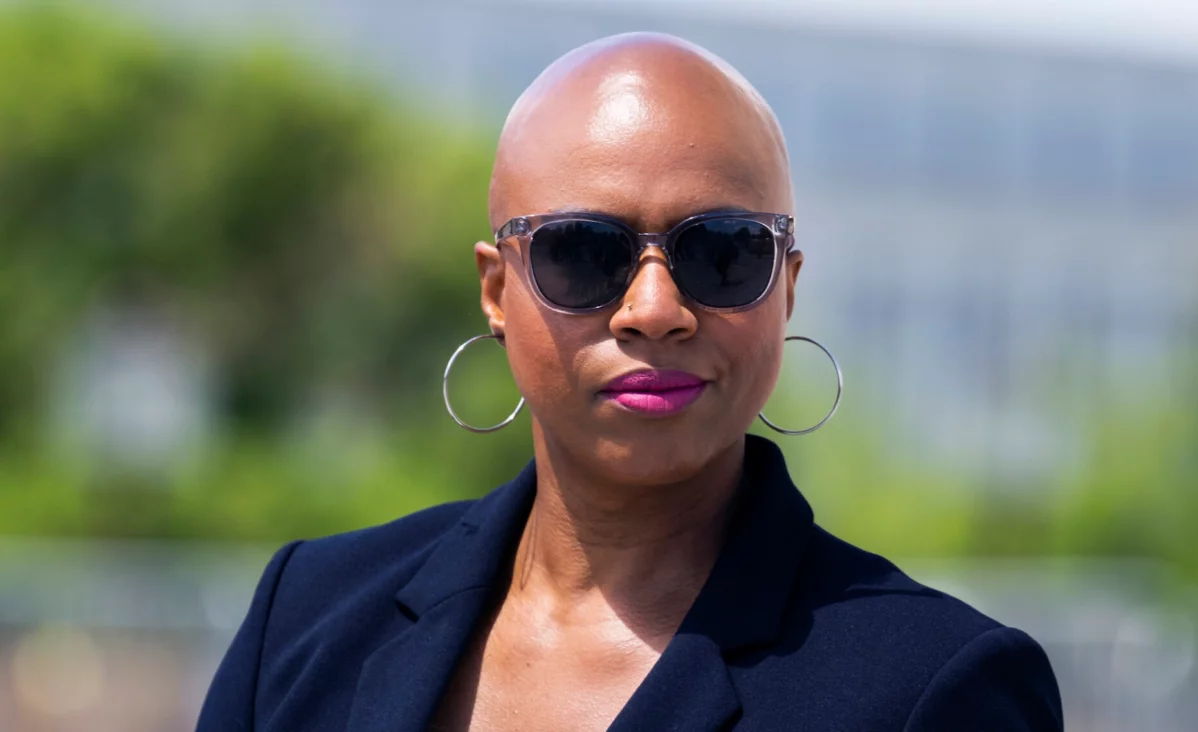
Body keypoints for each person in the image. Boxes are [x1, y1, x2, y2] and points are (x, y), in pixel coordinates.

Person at [196, 32, 1063, 732]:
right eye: (583, 253)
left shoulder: (934, 688)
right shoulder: (307, 617)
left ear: (787, 289)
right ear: (498, 291)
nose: (654, 310)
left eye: (724, 254)